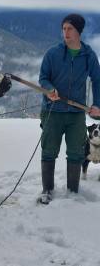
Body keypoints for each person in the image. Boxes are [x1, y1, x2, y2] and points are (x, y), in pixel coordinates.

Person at [38, 13, 100, 204]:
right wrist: (49, 90)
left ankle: (73, 192)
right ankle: (47, 190)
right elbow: (43, 78)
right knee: (49, 151)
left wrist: (97, 104)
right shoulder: (53, 53)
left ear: (79, 31)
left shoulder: (88, 55)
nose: (66, 32)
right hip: (52, 110)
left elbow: (97, 81)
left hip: (76, 114)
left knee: (75, 151)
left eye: (70, 29)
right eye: (63, 28)